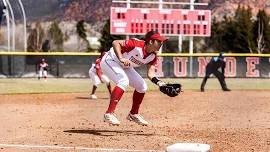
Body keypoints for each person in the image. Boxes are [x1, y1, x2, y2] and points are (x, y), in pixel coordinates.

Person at [100, 30, 169, 126]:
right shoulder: (136, 44)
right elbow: (115, 42)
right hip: (110, 60)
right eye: (159, 41)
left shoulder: (153, 56)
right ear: (151, 41)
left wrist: (160, 83)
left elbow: (151, 74)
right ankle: (109, 113)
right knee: (123, 81)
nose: (161, 43)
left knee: (142, 86)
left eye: (162, 41)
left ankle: (133, 113)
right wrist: (121, 58)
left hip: (125, 66)